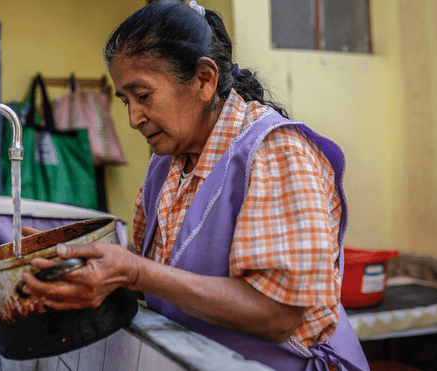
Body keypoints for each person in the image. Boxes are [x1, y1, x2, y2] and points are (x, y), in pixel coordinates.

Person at [21, 1, 369, 370]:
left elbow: (278, 316)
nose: (133, 118)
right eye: (125, 101)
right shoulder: (166, 165)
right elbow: (154, 276)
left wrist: (134, 272)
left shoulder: (275, 153)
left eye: (143, 96)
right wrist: (86, 262)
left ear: (204, 80)